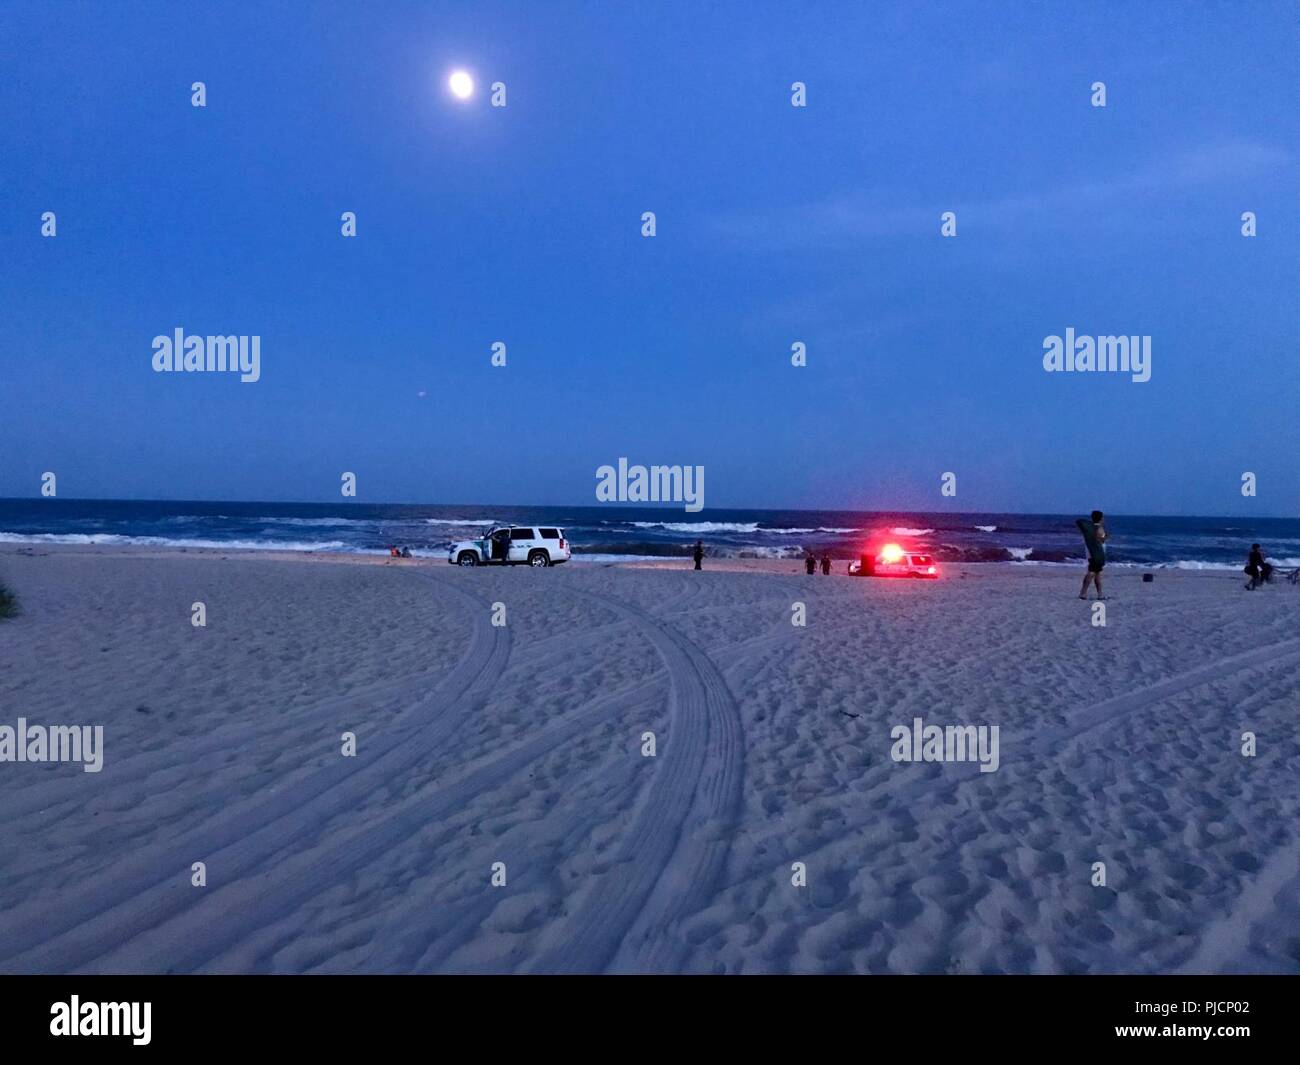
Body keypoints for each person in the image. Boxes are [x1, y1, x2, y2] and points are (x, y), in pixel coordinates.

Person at [1076, 510, 1107, 600]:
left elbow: (1079, 521)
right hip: (1096, 555)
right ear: (1101, 518)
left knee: (1097, 574)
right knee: (1091, 573)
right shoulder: (1098, 528)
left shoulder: (1090, 528)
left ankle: (1100, 594)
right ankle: (1083, 593)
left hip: (1092, 554)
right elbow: (1101, 541)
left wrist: (1093, 523)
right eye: (1102, 517)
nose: (1103, 519)